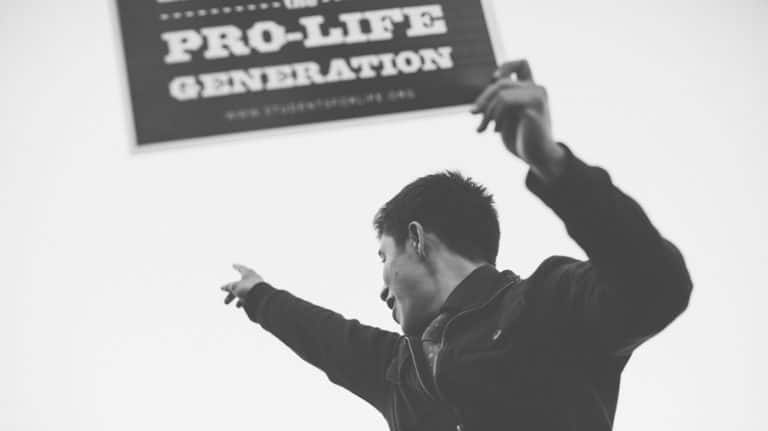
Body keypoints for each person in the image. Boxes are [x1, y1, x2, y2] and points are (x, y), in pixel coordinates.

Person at [220, 60, 693, 431]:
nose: (381, 288)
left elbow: (658, 286)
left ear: (417, 239)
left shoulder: (547, 304)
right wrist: (259, 296)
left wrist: (553, 164)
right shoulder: (398, 372)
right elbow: (325, 336)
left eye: (383, 257)